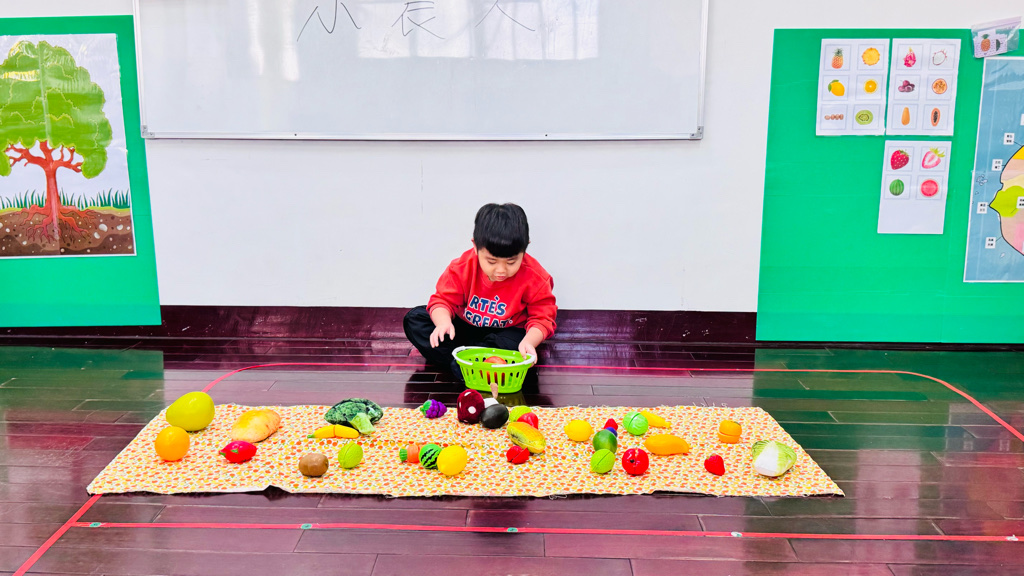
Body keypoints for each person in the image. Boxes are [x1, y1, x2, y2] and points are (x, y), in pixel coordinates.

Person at [403, 203, 557, 382]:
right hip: (467, 329)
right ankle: (469, 363)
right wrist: (443, 323)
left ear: (525, 249)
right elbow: (442, 301)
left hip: (506, 333)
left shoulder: (536, 277)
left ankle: (466, 362)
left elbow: (542, 319)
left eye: (511, 262)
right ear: (475, 247)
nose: (501, 270)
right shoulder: (462, 267)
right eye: (491, 261)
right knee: (415, 319)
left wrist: (529, 342)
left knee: (513, 344)